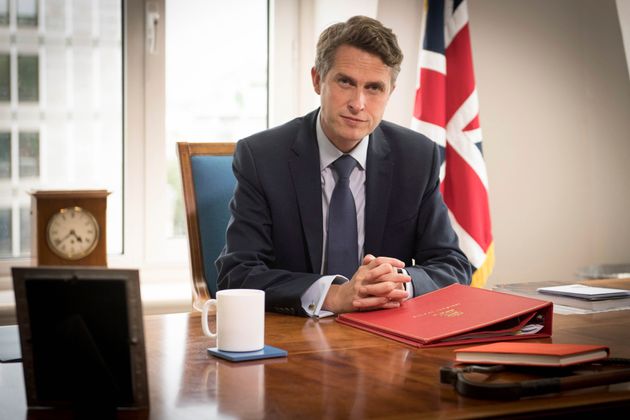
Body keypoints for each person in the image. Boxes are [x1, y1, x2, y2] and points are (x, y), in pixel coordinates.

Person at [216, 15, 472, 317]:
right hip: (295, 336)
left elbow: (453, 265)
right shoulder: (262, 157)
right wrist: (333, 295)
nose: (358, 103)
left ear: (390, 92)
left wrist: (399, 285)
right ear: (317, 79)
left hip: (385, 338)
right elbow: (238, 274)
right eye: (345, 82)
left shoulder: (416, 157)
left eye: (374, 88)